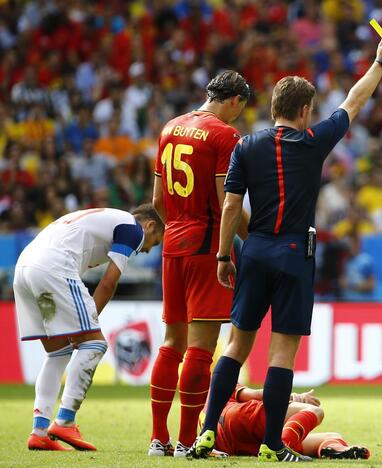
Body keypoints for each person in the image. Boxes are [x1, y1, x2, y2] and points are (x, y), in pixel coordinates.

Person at [189, 34, 382, 462]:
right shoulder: (315, 141)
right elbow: (354, 102)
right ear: (305, 111)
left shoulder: (245, 146)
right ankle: (271, 445)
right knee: (281, 352)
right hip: (295, 254)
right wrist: (381, 62)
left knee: (235, 348)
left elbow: (230, 206)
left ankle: (206, 433)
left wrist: (225, 255)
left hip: (256, 250)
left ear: (271, 109)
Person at [148, 70, 250, 458]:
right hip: (207, 246)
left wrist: (177, 223)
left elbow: (158, 201)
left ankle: (159, 439)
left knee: (171, 343)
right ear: (236, 100)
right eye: (241, 107)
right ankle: (188, 442)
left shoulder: (169, 128)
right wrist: (252, 237)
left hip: (172, 244)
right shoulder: (224, 136)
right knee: (201, 350)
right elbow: (230, 202)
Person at [15, 204, 164, 451]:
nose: (148, 250)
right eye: (155, 241)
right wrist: (89, 322)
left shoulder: (104, 219)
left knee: (57, 352)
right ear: (149, 225)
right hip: (52, 266)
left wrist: (80, 325)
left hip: (24, 268)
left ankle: (39, 431)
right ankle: (65, 420)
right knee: (95, 343)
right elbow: (108, 283)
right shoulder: (132, 229)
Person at [212, 385, 370, 460]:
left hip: (229, 444)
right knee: (314, 411)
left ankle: (337, 450)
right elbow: (254, 394)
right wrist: (294, 397)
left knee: (332, 436)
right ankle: (282, 449)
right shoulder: (224, 379)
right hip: (236, 417)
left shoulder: (204, 402)